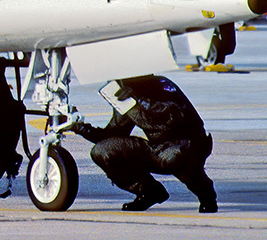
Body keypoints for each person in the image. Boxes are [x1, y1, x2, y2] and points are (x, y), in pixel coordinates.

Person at [71, 75, 218, 212]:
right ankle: (149, 192)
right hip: (158, 149)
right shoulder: (128, 98)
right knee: (103, 150)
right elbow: (112, 134)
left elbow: (175, 115)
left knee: (173, 157)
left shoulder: (162, 85)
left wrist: (140, 99)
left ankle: (205, 192)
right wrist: (79, 127)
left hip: (188, 145)